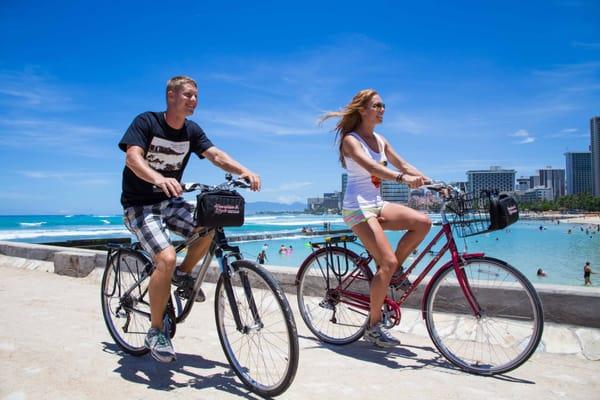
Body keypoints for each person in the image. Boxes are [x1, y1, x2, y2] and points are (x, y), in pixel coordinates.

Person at [119, 76, 261, 363]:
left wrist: (243, 170)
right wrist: (159, 179)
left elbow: (215, 155)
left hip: (170, 202)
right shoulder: (146, 122)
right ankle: (156, 330)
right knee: (166, 258)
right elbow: (133, 159)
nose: (193, 100)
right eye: (188, 95)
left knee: (209, 225)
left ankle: (183, 275)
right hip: (140, 207)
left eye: (196, 96)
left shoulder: (192, 130)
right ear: (171, 95)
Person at [319, 89, 431, 348]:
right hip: (356, 208)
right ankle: (373, 325)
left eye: (383, 106)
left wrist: (431, 182)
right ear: (362, 109)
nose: (382, 110)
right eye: (377, 105)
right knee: (387, 261)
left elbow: (403, 164)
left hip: (377, 204)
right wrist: (403, 179)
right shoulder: (351, 140)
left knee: (423, 222)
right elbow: (372, 168)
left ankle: (392, 274)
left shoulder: (381, 140)